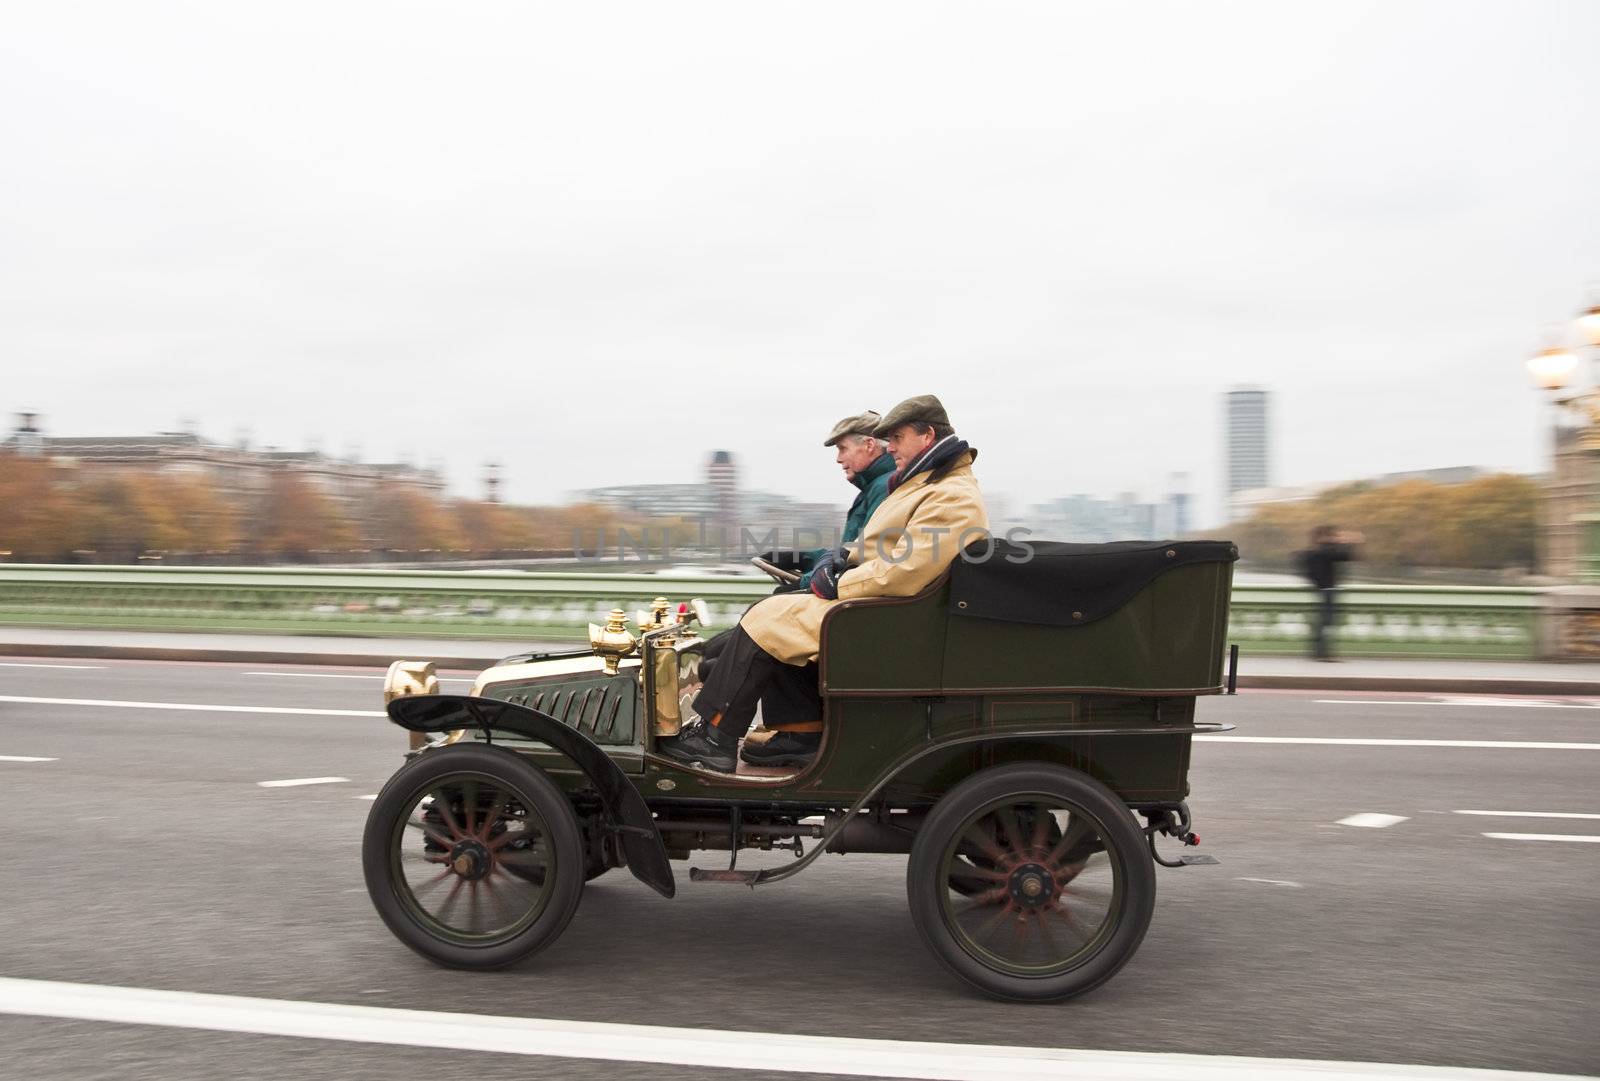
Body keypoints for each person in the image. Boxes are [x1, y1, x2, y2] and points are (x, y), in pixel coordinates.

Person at [660, 394, 986, 772]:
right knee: (774, 615)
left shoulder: (949, 494)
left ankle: (715, 738)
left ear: (927, 435)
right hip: (888, 609)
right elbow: (884, 549)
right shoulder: (932, 484)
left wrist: (838, 585)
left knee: (767, 620)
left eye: (896, 438)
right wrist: (839, 559)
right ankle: (800, 731)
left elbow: (906, 571)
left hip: (889, 616)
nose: (890, 446)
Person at [1297, 526, 1364, 661]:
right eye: (1332, 536)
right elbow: (1347, 556)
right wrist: (1349, 542)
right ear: (1324, 537)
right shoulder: (1325, 552)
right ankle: (1322, 653)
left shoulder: (1312, 553)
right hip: (1328, 590)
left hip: (1320, 590)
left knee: (1323, 622)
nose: (1335, 539)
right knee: (1326, 622)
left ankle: (1318, 652)